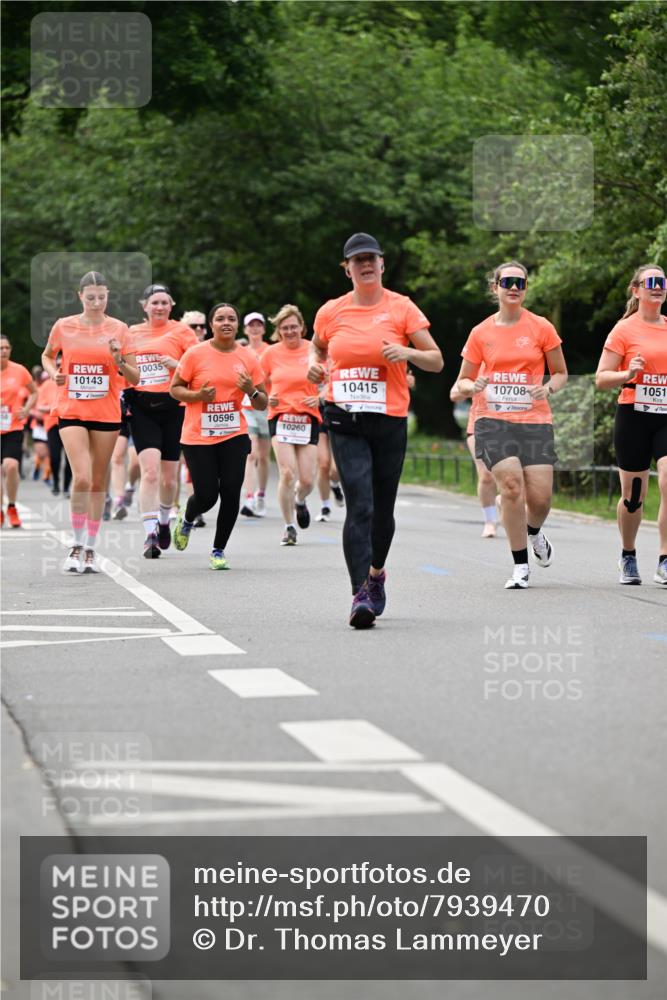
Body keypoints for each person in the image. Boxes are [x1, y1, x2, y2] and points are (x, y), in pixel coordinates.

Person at [309, 233, 443, 627]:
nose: (365, 264)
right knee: (360, 504)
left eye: (371, 258)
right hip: (343, 416)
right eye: (357, 260)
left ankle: (376, 574)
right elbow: (317, 349)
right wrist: (315, 369)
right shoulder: (331, 312)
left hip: (389, 419)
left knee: (382, 509)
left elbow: (435, 360)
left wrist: (408, 353)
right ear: (347, 268)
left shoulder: (402, 308)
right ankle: (359, 595)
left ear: (382, 264)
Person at [456, 261, 568, 590]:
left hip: (534, 420)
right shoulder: (480, 333)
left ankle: (533, 532)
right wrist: (471, 387)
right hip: (493, 421)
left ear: (526, 288)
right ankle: (520, 567)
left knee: (541, 499)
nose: (514, 287)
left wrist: (547, 388)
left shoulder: (542, 327)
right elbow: (462, 381)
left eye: (520, 282)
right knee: (511, 488)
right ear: (496, 287)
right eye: (507, 281)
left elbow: (561, 372)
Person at [41, 271, 139, 572]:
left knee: (98, 482)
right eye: (91, 297)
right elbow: (47, 355)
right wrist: (53, 372)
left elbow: (134, 378)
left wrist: (119, 358)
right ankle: (75, 543)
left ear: (108, 295)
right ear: (80, 296)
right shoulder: (64, 325)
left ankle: (91, 548)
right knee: (81, 477)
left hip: (106, 412)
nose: (97, 302)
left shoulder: (119, 329)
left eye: (102, 296)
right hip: (70, 409)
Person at [170, 302, 267, 569]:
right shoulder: (195, 354)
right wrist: (198, 396)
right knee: (207, 495)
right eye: (220, 318)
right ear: (211, 324)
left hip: (234, 433)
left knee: (231, 492)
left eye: (232, 319)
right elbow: (174, 389)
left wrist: (251, 390)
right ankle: (188, 517)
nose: (226, 323)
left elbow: (262, 402)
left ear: (237, 325)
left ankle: (218, 550)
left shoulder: (247, 357)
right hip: (198, 436)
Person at [595, 263, 667, 586]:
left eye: (662, 281)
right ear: (635, 290)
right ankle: (628, 554)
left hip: (665, 414)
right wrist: (627, 374)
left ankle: (665, 558)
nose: (657, 286)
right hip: (633, 414)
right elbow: (601, 379)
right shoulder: (623, 330)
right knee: (634, 495)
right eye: (650, 281)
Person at [126, 283, 198, 558]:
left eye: (164, 303)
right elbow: (122, 366)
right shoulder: (131, 333)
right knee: (151, 472)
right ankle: (150, 534)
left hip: (174, 407)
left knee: (169, 479)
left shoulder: (182, 332)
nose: (159, 307)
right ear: (144, 306)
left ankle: (166, 520)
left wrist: (176, 366)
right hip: (143, 407)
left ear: (172, 306)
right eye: (154, 303)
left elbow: (198, 367)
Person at [263, 304, 321, 546]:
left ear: (302, 328)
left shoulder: (314, 350)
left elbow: (331, 379)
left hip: (308, 417)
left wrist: (320, 397)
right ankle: (288, 526)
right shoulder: (270, 354)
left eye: (293, 327)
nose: (289, 331)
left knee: (307, 480)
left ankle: (300, 499)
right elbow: (258, 382)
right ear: (278, 330)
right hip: (281, 416)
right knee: (287, 473)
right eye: (284, 328)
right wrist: (267, 397)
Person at [450, 371, 499, 537]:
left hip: (514, 425)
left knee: (513, 478)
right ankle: (490, 521)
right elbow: (454, 394)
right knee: (486, 475)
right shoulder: (475, 363)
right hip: (479, 425)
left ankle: (504, 500)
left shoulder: (516, 361)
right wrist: (474, 387)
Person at [1, 335, 38, 527]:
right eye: (0, 348)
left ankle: (12, 506)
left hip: (13, 427)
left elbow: (34, 392)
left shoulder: (19, 371)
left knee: (11, 467)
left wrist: (26, 409)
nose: (4, 351)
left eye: (7, 348)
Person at [239, 312, 272, 517]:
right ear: (245, 329)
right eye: (251, 325)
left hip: (266, 406)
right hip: (246, 406)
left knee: (263, 455)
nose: (255, 328)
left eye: (258, 324)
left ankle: (261, 494)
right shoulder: (241, 351)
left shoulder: (270, 350)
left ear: (263, 329)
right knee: (250, 453)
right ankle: (249, 497)